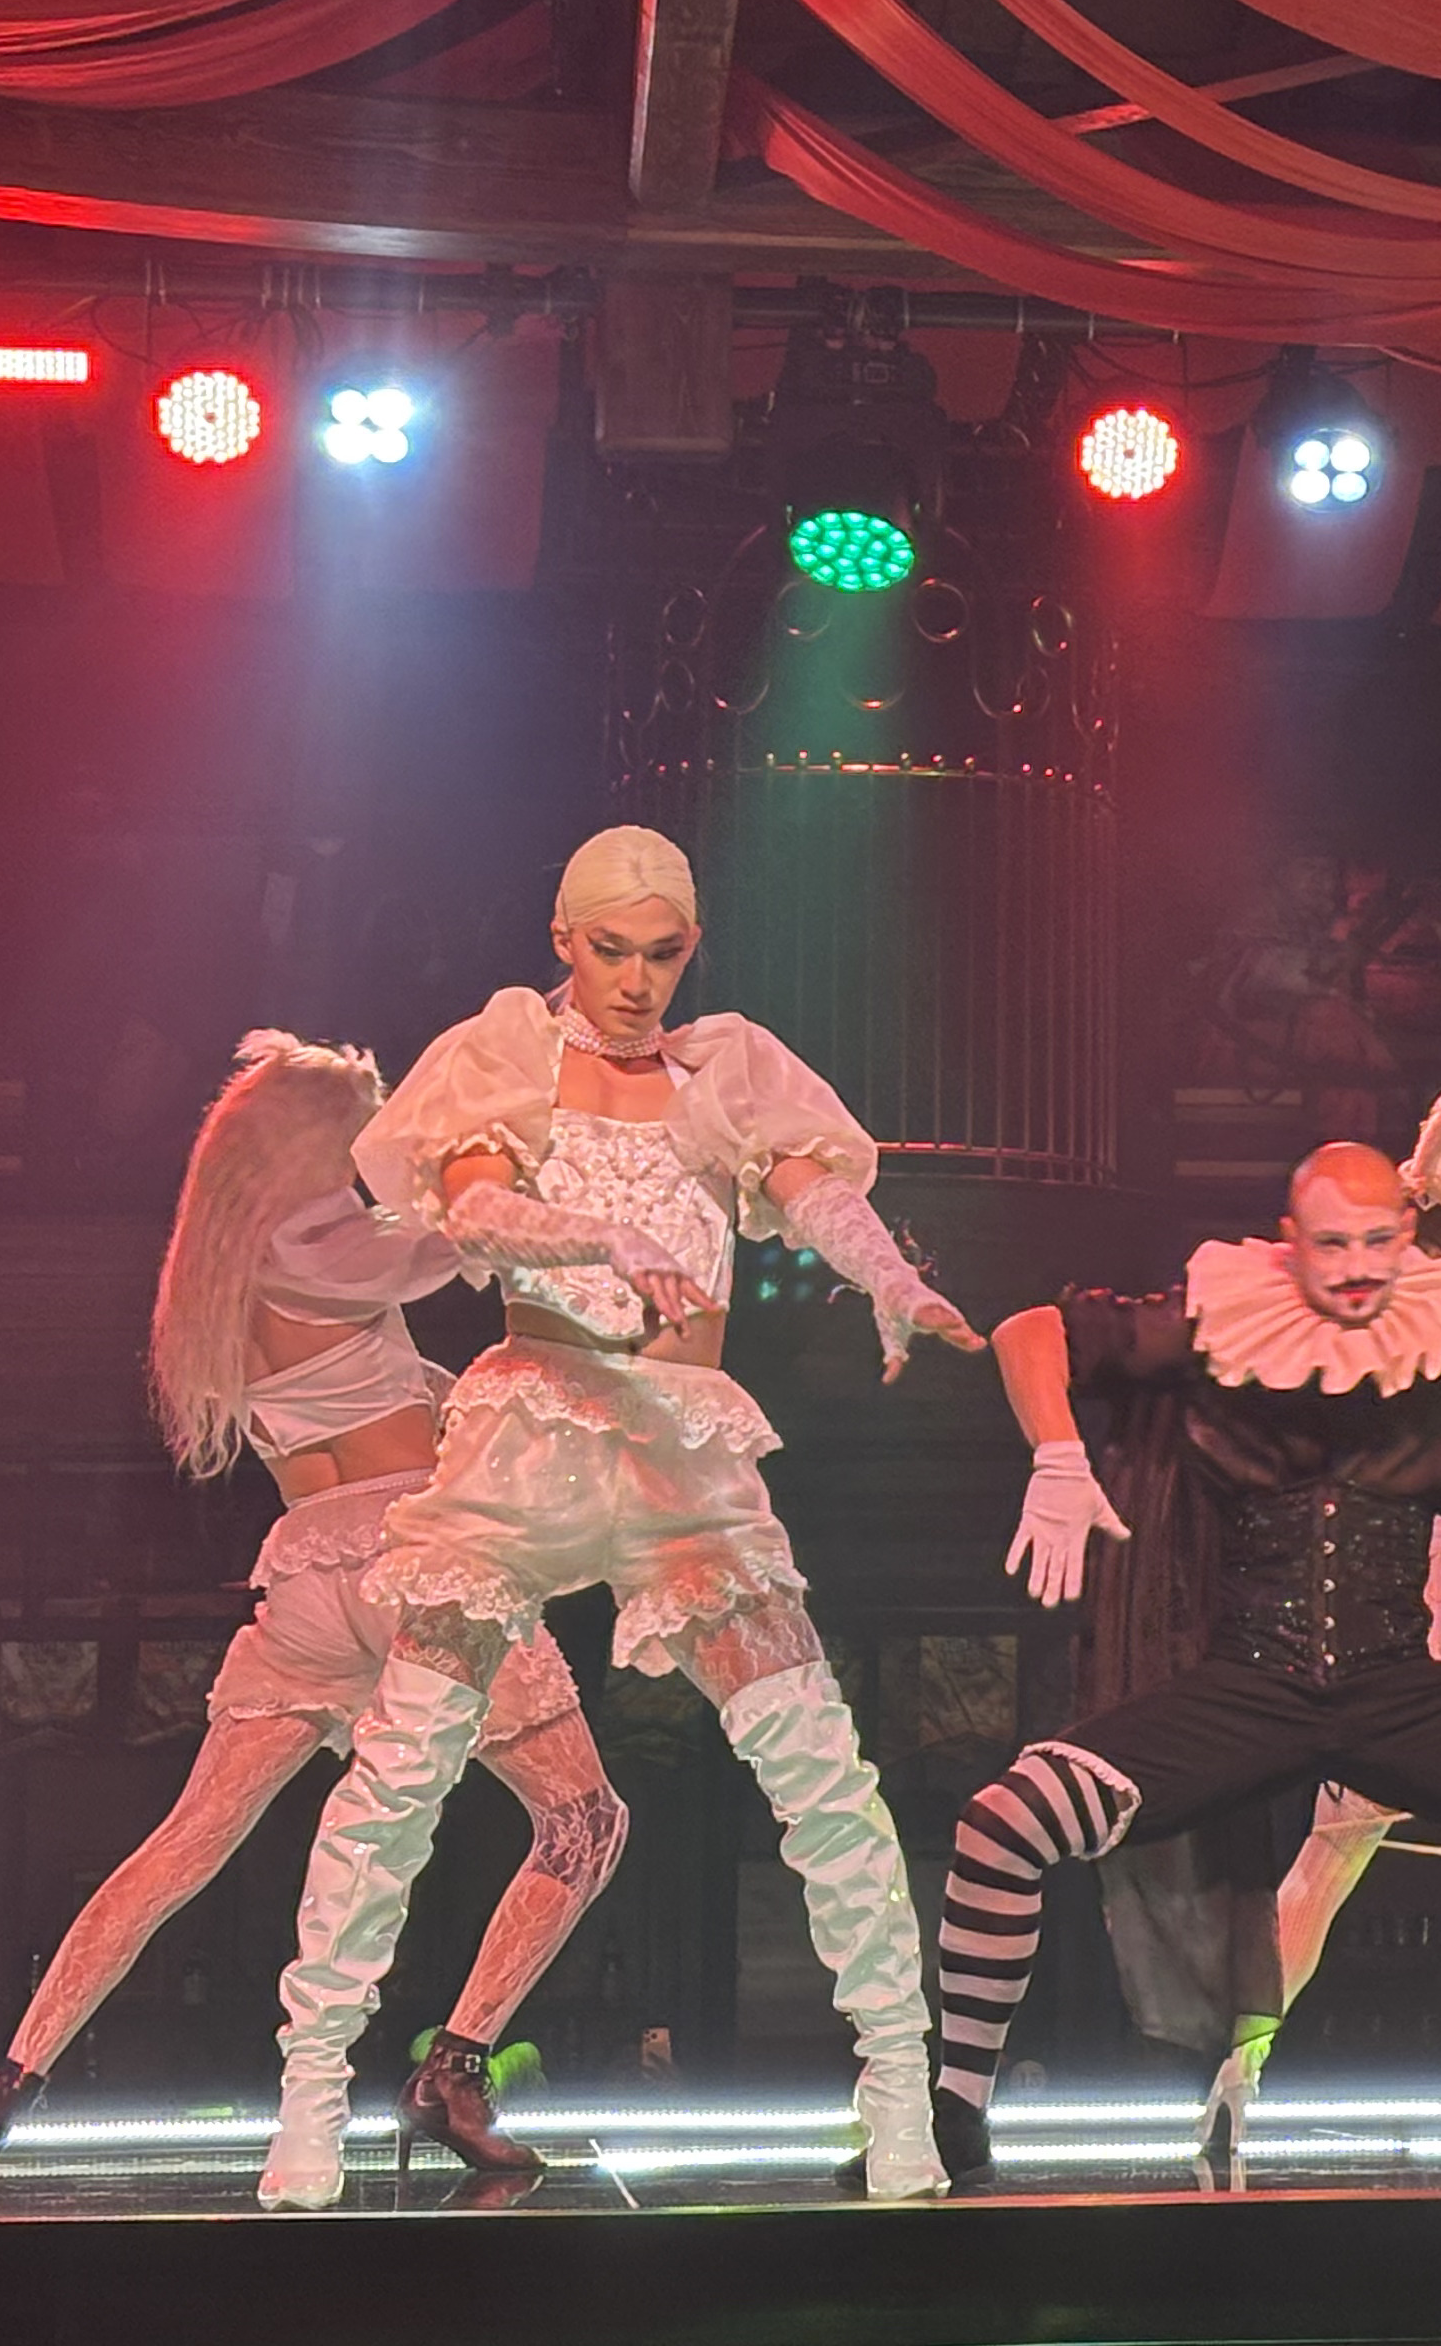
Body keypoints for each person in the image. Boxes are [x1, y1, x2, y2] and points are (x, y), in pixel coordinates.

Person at [255, 828, 976, 2207]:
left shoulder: (725, 1072)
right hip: (533, 1431)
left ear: (689, 949)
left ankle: (899, 2092)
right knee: (401, 1771)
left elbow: (816, 1190)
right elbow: (475, 1210)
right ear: (563, 941)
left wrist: (890, 1277)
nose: (637, 980)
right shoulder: (509, 1056)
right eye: (610, 950)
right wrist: (603, 1239)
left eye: (661, 953)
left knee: (820, 1770)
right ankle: (310, 2097)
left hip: (681, 1445)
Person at [915, 1108, 1441, 2190]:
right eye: (1333, 1244)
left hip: (1397, 1686)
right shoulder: (1223, 1319)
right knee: (1002, 1826)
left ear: (1407, 1237)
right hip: (1249, 1684)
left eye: (1378, 1241)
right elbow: (1032, 1332)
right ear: (1291, 1242)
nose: (1359, 1266)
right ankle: (953, 2115)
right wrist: (1056, 1456)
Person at [0, 1035, 624, 2187]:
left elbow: (373, 1382)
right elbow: (467, 1240)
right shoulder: (321, 1244)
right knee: (584, 1822)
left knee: (184, 1844)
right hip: (418, 1561)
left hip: (307, 1577)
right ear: (315, 1141)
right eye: (362, 1126)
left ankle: (7, 2081)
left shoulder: (216, 1282)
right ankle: (454, 2069)